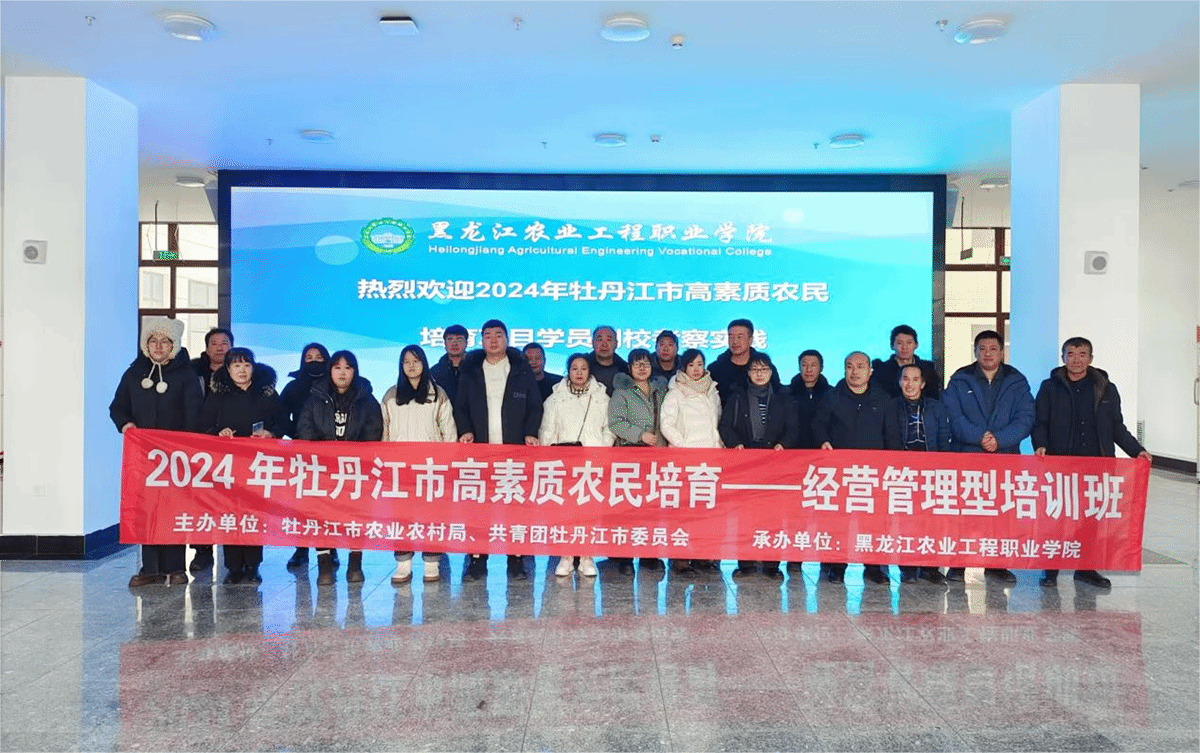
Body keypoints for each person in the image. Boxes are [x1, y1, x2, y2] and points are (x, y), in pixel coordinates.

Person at [1033, 337, 1151, 590]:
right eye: (1071, 354)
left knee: (1091, 519)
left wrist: (1137, 451)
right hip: (1061, 465)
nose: (1076, 360)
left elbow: (1116, 426)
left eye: (1082, 354)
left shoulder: (1105, 387)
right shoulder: (1050, 387)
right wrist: (1040, 444)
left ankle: (1086, 569)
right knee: (1057, 516)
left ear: (1090, 358)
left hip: (1097, 465)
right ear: (1063, 357)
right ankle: (1051, 569)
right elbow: (1040, 422)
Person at [110, 316, 204, 587]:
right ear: (145, 344)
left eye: (165, 341)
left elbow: (195, 415)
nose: (159, 346)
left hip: (175, 458)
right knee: (147, 510)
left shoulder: (185, 375)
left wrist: (186, 447)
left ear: (174, 345)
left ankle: (176, 568)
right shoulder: (133, 374)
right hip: (143, 458)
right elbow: (117, 407)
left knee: (173, 510)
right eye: (153, 341)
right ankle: (150, 568)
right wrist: (126, 424)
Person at [943, 329, 1035, 584]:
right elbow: (952, 414)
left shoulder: (1016, 381)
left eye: (993, 349)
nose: (987, 354)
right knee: (964, 513)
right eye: (982, 349)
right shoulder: (960, 379)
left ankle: (997, 564)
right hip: (968, 455)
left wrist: (1000, 439)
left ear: (1002, 352)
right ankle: (958, 564)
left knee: (1001, 514)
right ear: (975, 352)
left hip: (1004, 456)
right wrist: (979, 437)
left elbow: (1026, 417)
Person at [454, 319, 543, 581]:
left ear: (507, 339)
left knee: (514, 506)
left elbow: (535, 406)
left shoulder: (520, 369)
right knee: (479, 507)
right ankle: (477, 559)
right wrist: (465, 430)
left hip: (513, 449)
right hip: (480, 450)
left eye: (498, 335)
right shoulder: (471, 370)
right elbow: (460, 407)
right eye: (488, 336)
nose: (493, 340)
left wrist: (530, 432)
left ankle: (515, 558)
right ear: (481, 340)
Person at [194, 347, 287, 585]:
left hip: (258, 464)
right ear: (228, 369)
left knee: (254, 514)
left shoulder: (267, 393)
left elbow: (283, 422)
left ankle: (253, 566)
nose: (242, 370)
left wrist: (270, 433)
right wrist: (219, 432)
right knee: (231, 514)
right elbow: (203, 424)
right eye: (236, 365)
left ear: (253, 368)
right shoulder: (218, 394)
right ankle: (233, 567)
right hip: (228, 465)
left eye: (246, 365)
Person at [297, 350, 383, 586]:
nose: (342, 373)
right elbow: (304, 429)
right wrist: (325, 452)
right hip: (323, 470)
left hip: (356, 471)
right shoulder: (315, 398)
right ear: (330, 371)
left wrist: (353, 455)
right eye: (337, 367)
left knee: (356, 517)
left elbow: (374, 431)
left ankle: (355, 564)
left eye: (348, 367)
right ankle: (324, 566)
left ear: (355, 371)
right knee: (321, 517)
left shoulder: (366, 399)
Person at [380, 345, 458, 584]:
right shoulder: (391, 395)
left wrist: (447, 464)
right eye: (406, 362)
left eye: (416, 361)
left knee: (433, 516)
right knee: (401, 517)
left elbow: (449, 432)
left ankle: (432, 562)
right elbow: (384, 432)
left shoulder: (438, 394)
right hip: (400, 468)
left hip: (431, 468)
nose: (411, 366)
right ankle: (403, 563)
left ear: (424, 363)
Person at [812, 351, 890, 584]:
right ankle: (837, 565)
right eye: (849, 366)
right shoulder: (831, 397)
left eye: (860, 366)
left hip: (873, 472)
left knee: (874, 522)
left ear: (870, 371)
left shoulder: (883, 399)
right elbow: (817, 425)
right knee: (837, 520)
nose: (855, 371)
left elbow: (891, 433)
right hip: (839, 471)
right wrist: (823, 440)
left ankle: (874, 567)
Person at [718, 352, 796, 579]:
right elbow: (725, 426)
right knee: (746, 515)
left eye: (764, 369)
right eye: (754, 369)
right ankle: (746, 564)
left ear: (771, 372)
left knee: (773, 516)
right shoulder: (738, 397)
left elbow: (793, 427)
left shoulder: (783, 397)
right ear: (748, 373)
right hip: (747, 463)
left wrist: (783, 444)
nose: (759, 374)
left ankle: (772, 565)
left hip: (775, 464)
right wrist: (736, 444)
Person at [539, 354, 614, 578]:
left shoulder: (602, 398)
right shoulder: (555, 399)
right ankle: (566, 556)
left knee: (590, 511)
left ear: (589, 372)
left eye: (583, 368)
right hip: (564, 462)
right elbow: (547, 430)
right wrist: (551, 455)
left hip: (592, 461)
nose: (579, 373)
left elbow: (609, 429)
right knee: (565, 511)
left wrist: (602, 449)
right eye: (574, 368)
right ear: (568, 371)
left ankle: (587, 557)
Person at [883, 364, 952, 585]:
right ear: (899, 382)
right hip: (902, 470)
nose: (909, 384)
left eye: (915, 380)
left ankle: (930, 568)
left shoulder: (936, 407)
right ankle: (908, 567)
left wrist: (943, 467)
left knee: (932, 521)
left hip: (931, 471)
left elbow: (944, 438)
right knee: (906, 521)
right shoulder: (890, 406)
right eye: (905, 379)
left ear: (922, 384)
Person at [660, 348, 722, 575]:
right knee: (683, 510)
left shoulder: (711, 391)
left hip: (710, 460)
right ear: (684, 367)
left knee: (706, 510)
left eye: (699, 364)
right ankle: (680, 557)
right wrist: (683, 444)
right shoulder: (675, 392)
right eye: (691, 365)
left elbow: (717, 421)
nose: (696, 369)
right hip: (684, 458)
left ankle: (703, 554)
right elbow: (666, 424)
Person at [608, 348, 669, 575]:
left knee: (652, 507)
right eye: (637, 364)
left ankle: (649, 555)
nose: (642, 368)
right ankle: (624, 557)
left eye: (646, 364)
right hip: (630, 455)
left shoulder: (660, 390)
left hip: (656, 456)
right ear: (629, 368)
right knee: (627, 508)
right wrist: (639, 435)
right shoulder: (621, 393)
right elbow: (615, 423)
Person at [278, 342, 333, 571]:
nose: (314, 361)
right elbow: (280, 416)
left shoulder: (335, 385)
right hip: (300, 453)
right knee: (301, 505)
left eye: (319, 357)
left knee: (329, 504)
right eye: (309, 357)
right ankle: (301, 549)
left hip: (330, 453)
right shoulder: (293, 387)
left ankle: (330, 549)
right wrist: (297, 434)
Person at [188, 326, 234, 571]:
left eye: (224, 343)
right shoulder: (193, 371)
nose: (219, 348)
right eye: (214, 343)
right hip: (200, 442)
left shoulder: (240, 370)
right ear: (207, 348)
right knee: (201, 498)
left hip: (231, 445)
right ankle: (202, 551)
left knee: (231, 498)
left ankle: (235, 553)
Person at [709, 318, 775, 405]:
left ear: (750, 339)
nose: (735, 341)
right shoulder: (715, 368)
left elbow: (777, 394)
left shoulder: (764, 367)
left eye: (739, 337)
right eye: (731, 337)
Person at [871, 324, 942, 399]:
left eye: (909, 342)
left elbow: (934, 396)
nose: (904, 347)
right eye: (899, 343)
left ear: (916, 345)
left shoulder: (928, 368)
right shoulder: (881, 370)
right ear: (892, 346)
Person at [788, 349, 831, 449]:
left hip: (823, 450)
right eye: (804, 365)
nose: (808, 369)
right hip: (792, 451)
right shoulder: (787, 394)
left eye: (813, 365)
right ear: (799, 367)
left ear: (821, 368)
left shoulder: (831, 394)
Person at [429, 324, 469, 403]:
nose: (454, 343)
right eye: (450, 339)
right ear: (445, 344)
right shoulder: (434, 372)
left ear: (466, 343)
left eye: (459, 339)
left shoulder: (477, 368)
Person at [585, 325, 628, 396]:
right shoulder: (583, 365)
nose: (604, 344)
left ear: (616, 344)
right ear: (592, 343)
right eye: (600, 340)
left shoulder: (626, 370)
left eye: (609, 340)